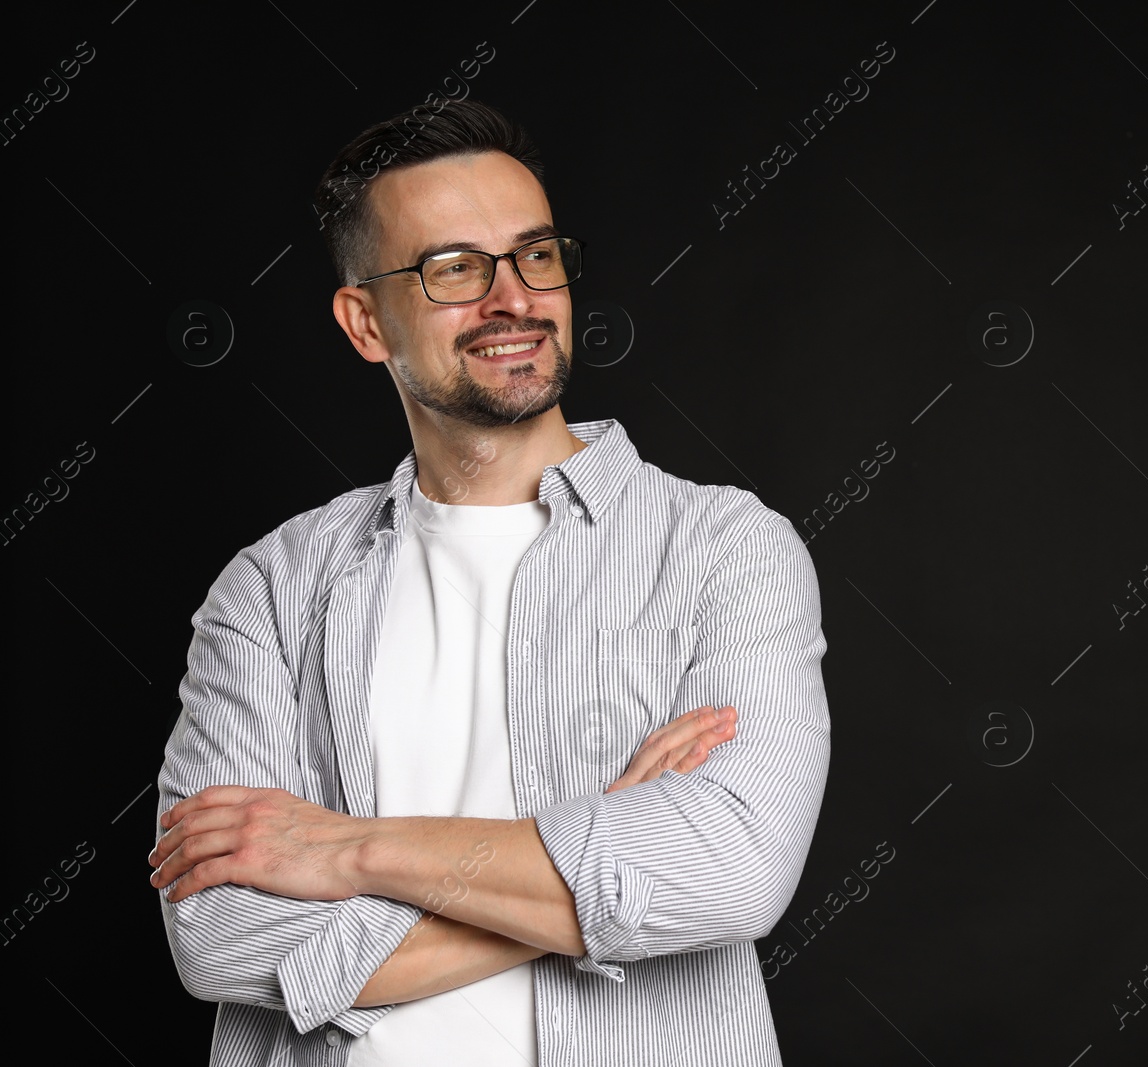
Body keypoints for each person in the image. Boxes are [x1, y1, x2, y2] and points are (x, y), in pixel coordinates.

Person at [151, 99, 830, 1067]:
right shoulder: (270, 587)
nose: (513, 298)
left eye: (536, 255)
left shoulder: (724, 547)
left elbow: (733, 874)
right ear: (364, 321)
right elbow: (221, 937)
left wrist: (347, 847)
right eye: (453, 269)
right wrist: (598, 871)